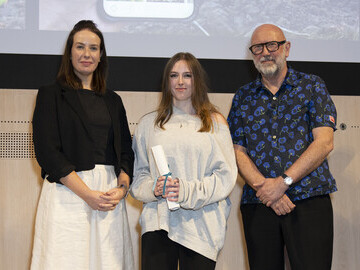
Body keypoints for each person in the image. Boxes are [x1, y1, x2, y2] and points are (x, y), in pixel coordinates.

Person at [227, 24, 337, 270]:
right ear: (252, 54)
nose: (265, 52)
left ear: (286, 48)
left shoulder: (312, 86)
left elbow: (324, 142)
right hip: (260, 202)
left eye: (272, 45)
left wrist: (283, 183)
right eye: (258, 48)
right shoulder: (243, 97)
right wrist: (267, 189)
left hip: (309, 198)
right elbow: (236, 150)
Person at [31, 20, 135, 270]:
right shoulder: (50, 94)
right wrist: (87, 194)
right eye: (80, 47)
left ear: (101, 56)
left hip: (108, 198)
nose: (87, 54)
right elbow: (47, 152)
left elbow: (125, 153)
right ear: (69, 52)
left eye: (94, 48)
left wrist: (121, 188)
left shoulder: (113, 100)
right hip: (68, 195)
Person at [130, 52, 237, 270]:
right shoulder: (148, 124)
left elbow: (225, 178)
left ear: (196, 80)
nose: (180, 82)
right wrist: (154, 188)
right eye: (174, 75)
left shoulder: (215, 123)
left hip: (201, 228)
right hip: (158, 224)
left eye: (187, 75)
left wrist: (185, 191)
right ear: (166, 81)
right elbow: (138, 177)